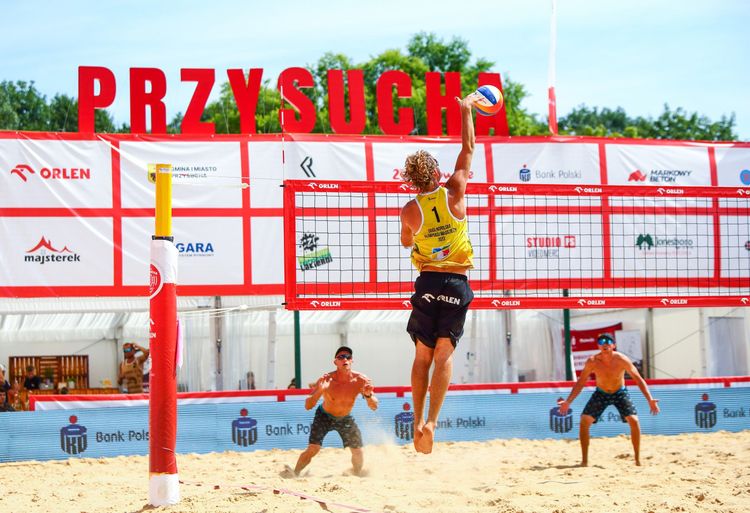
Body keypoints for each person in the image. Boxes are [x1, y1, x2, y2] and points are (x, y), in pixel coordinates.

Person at [399, 94, 476, 454]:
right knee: (444, 354)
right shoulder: (455, 191)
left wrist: (420, 236)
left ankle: (415, 421)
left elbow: (404, 243)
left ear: (412, 181)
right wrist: (465, 110)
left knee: (422, 357)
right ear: (435, 173)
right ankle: (432, 422)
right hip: (456, 283)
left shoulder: (409, 210)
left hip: (427, 281)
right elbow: (469, 147)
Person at [557, 333, 660, 466]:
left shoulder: (622, 359)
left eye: (608, 341)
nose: (604, 343)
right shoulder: (592, 361)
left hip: (620, 392)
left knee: (634, 421)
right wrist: (568, 401)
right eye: (601, 341)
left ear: (613, 345)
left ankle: (637, 460)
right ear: (598, 346)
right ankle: (584, 461)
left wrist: (650, 399)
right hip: (601, 393)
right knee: (584, 421)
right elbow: (581, 382)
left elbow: (638, 379)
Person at [292, 346, 378, 476]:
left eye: (348, 357)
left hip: (345, 417)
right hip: (324, 416)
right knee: (313, 449)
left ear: (352, 361)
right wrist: (320, 391)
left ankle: (355, 474)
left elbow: (374, 406)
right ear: (335, 362)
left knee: (358, 452)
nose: (345, 359)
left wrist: (368, 395)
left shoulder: (361, 380)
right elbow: (308, 405)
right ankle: (295, 473)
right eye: (341, 357)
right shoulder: (326, 380)